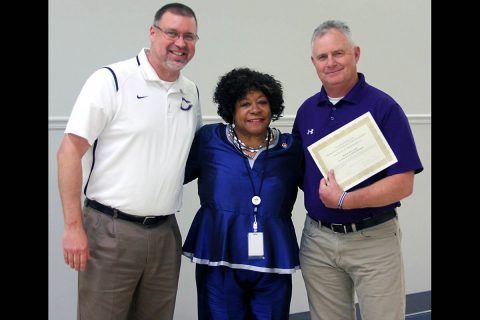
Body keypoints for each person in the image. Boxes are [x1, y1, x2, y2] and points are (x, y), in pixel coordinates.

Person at [56, 3, 202, 319]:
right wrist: (72, 227)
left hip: (164, 233)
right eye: (172, 33)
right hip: (110, 231)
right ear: (153, 33)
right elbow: (68, 151)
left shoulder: (190, 92)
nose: (180, 43)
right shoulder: (111, 80)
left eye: (189, 36)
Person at [292, 20, 423, 320]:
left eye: (338, 53)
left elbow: (403, 184)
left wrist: (345, 200)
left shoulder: (383, 108)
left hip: (373, 240)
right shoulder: (307, 111)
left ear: (356, 54)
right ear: (313, 62)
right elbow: (302, 175)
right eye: (322, 57)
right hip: (319, 241)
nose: (331, 63)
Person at [182, 67, 303, 320]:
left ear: (273, 107)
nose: (255, 110)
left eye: (262, 102)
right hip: (218, 257)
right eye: (245, 104)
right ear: (231, 109)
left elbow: (319, 188)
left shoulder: (290, 148)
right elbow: (172, 175)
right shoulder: (209, 140)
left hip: (273, 258)